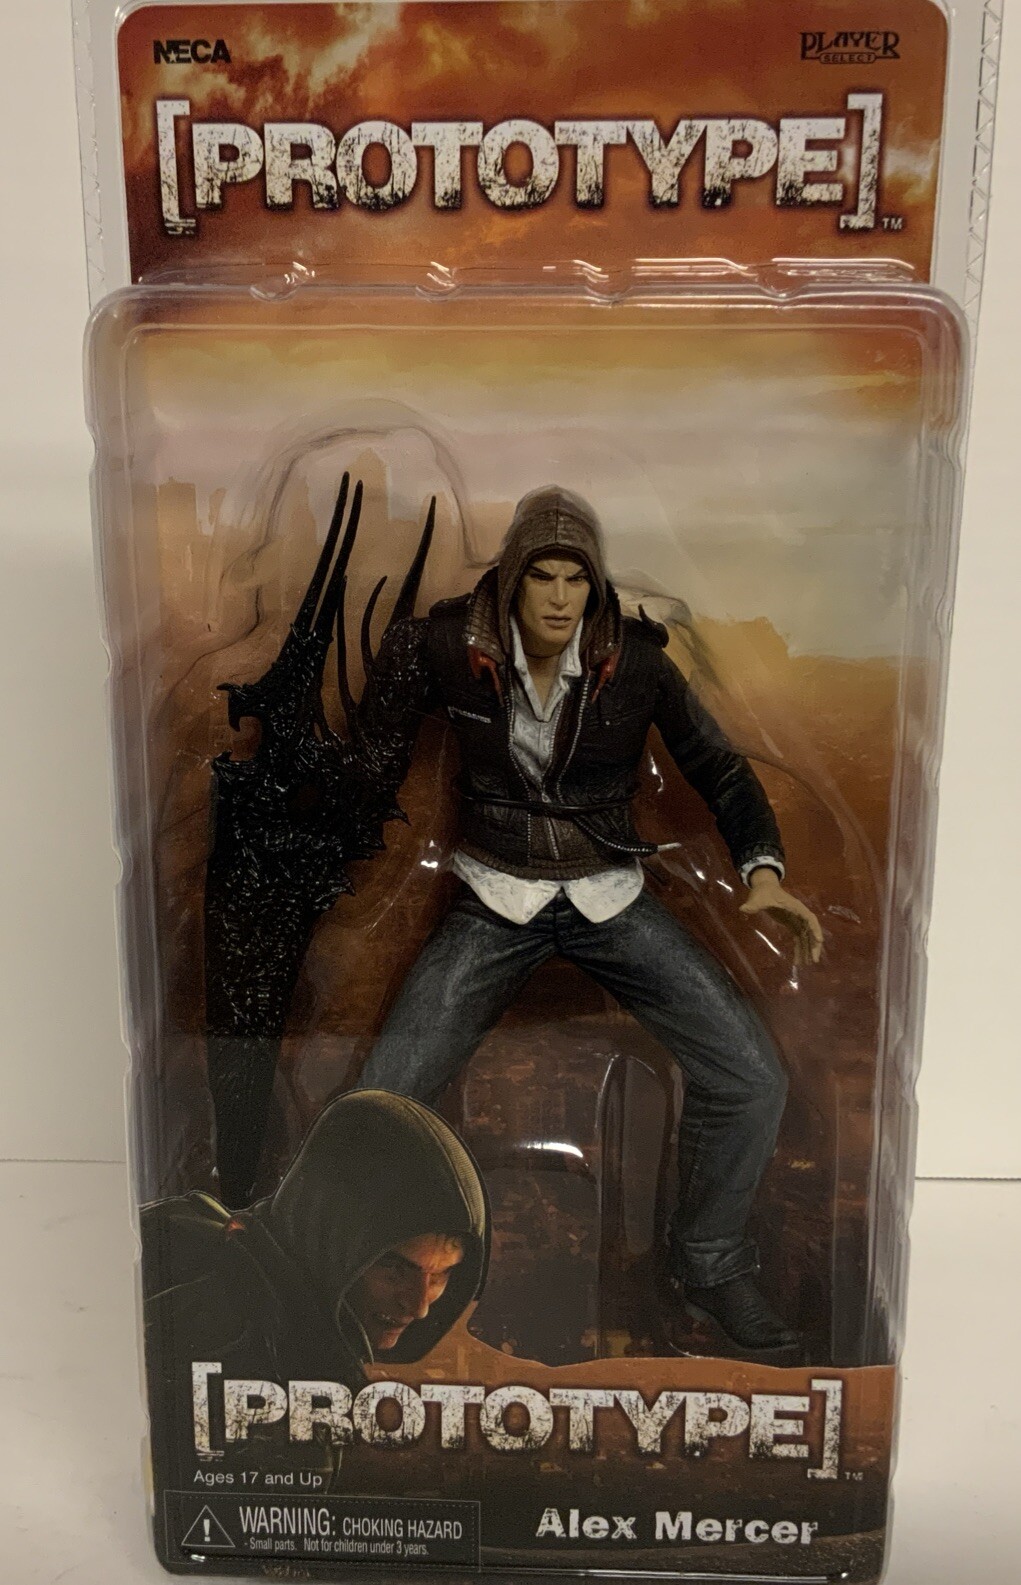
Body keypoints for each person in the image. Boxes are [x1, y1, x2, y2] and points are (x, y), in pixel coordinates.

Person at [357, 486, 823, 1361]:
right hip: (495, 892)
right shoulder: (449, 646)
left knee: (750, 1075)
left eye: (576, 578)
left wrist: (761, 871)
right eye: (543, 576)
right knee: (379, 1103)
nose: (561, 597)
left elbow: (718, 767)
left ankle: (709, 1263)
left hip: (608, 890)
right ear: (512, 578)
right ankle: (363, 1262)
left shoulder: (634, 662)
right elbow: (372, 759)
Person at [141, 1089, 489, 1481]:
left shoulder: (203, 1246)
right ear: (330, 1237)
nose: (420, 1305)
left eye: (441, 1275)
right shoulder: (253, 1356)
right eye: (395, 1269)